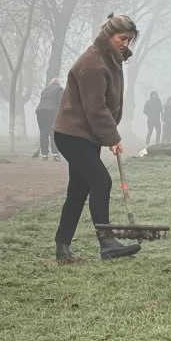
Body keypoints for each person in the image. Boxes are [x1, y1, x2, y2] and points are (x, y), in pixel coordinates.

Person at [52, 14, 142, 264]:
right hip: (72, 135)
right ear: (109, 36)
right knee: (101, 182)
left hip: (84, 135)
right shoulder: (94, 64)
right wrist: (112, 137)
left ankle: (62, 248)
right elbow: (96, 108)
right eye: (122, 38)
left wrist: (106, 134)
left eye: (130, 40)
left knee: (78, 191)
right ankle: (107, 242)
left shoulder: (109, 58)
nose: (126, 44)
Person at [35, 78, 64, 161]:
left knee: (43, 133)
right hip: (51, 111)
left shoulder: (44, 90)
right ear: (58, 83)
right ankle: (55, 155)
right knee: (53, 132)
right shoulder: (59, 89)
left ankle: (44, 155)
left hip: (40, 111)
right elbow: (61, 102)